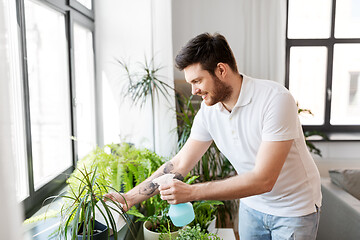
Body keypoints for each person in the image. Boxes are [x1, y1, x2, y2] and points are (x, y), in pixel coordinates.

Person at [105, 33, 322, 240]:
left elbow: (264, 179)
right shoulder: (209, 112)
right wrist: (130, 197)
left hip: (294, 209)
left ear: (221, 70)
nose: (193, 91)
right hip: (252, 206)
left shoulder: (275, 100)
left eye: (197, 81)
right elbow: (180, 163)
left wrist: (192, 192)